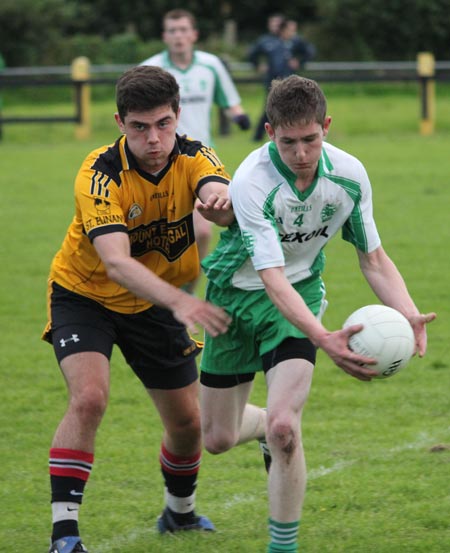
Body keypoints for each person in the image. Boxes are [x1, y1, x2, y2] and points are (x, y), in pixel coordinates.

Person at [199, 75, 436, 553]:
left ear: (326, 126)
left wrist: (407, 312)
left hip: (299, 296)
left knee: (289, 427)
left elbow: (373, 258)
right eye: (288, 142)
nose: (301, 153)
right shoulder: (252, 182)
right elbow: (269, 277)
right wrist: (325, 338)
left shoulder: (349, 175)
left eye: (311, 139)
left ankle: (282, 546)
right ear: (270, 133)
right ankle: (261, 425)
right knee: (218, 438)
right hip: (234, 297)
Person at [42, 65, 234, 553]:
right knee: (89, 398)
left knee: (189, 424)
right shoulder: (99, 173)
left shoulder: (196, 156)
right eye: (140, 127)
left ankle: (180, 514)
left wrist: (219, 202)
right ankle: (64, 536)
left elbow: (220, 194)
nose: (154, 138)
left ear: (178, 116)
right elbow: (116, 263)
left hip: (154, 303)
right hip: (87, 294)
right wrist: (182, 301)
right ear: (120, 122)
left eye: (163, 124)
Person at [141, 9, 251, 293]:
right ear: (165, 36)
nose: (178, 36)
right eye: (172, 31)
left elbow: (229, 100)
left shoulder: (210, 65)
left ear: (194, 34)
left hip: (199, 162)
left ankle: (186, 294)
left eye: (183, 30)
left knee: (202, 231)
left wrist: (239, 116)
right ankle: (154, 299)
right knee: (158, 238)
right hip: (158, 163)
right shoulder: (152, 69)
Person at [248, 14, 316, 141]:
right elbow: (251, 54)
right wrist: (258, 65)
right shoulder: (267, 41)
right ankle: (259, 137)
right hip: (272, 81)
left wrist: (299, 62)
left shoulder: (295, 41)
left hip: (291, 81)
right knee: (270, 108)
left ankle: (299, 133)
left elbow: (310, 51)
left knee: (297, 107)